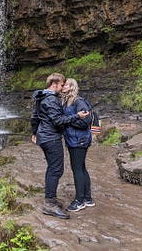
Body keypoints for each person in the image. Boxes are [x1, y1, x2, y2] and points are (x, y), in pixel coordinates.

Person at [31, 73, 89, 219]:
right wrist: (77, 116)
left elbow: (35, 116)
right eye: (62, 84)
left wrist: (34, 132)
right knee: (56, 170)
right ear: (54, 83)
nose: (63, 87)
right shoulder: (51, 99)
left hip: (45, 136)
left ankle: (51, 200)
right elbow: (57, 120)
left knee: (53, 168)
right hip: (51, 138)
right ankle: (49, 203)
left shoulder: (42, 96)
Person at [61, 78, 95, 212]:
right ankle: (88, 198)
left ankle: (79, 200)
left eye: (66, 85)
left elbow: (85, 121)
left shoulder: (78, 101)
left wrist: (67, 122)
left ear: (72, 87)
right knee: (81, 167)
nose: (63, 87)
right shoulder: (68, 101)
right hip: (74, 139)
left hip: (79, 140)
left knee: (77, 169)